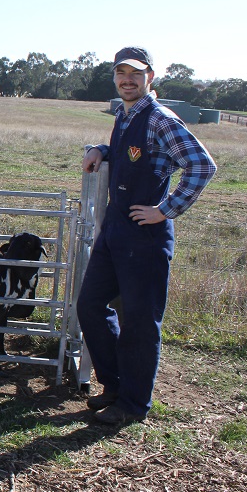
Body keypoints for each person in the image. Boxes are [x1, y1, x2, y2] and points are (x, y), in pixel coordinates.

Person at [77, 46, 216, 425]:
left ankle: (134, 405)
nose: (127, 80)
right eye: (121, 73)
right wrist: (101, 149)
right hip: (116, 231)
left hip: (145, 235)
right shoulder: (125, 114)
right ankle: (115, 383)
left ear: (149, 77)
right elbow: (132, 152)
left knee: (140, 322)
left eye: (135, 74)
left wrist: (165, 210)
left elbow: (202, 165)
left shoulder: (159, 118)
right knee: (89, 305)